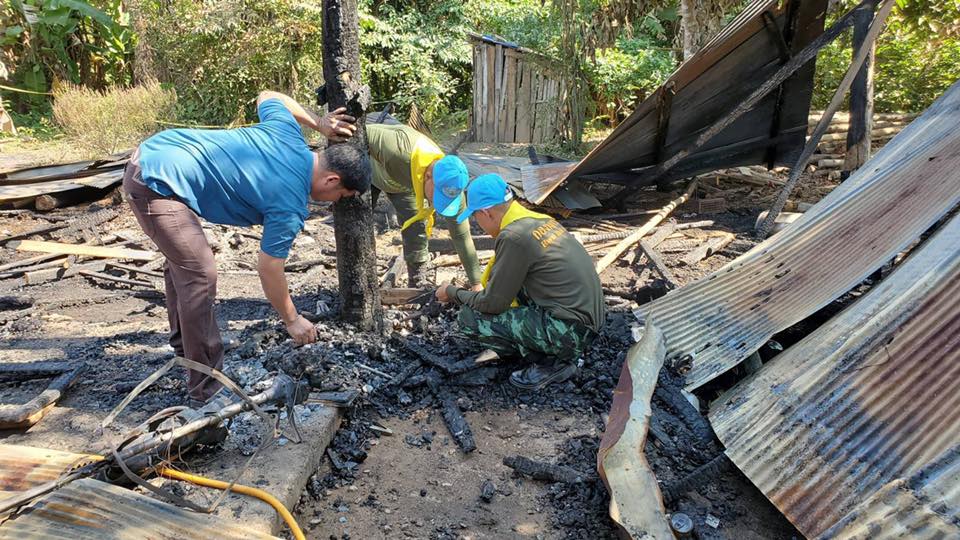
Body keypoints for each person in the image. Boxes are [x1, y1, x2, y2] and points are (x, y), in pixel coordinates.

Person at [123, 90, 371, 404]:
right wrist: (292, 319)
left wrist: (318, 123)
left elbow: (269, 96)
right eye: (342, 197)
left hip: (158, 151)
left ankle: (185, 351)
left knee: (186, 263)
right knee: (199, 273)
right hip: (155, 182)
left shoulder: (287, 132)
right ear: (332, 180)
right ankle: (206, 392)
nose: (337, 204)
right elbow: (269, 267)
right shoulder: (290, 203)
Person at [435, 174, 605, 390]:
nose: (477, 223)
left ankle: (551, 363)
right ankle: (544, 347)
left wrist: (452, 293)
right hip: (588, 323)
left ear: (486, 213)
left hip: (570, 333)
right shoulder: (539, 221)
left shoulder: (514, 237)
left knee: (469, 318)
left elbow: (492, 304)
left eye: (475, 216)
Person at [366, 123, 482, 288]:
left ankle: (416, 280)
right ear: (428, 176)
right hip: (370, 169)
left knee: (415, 224)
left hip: (401, 182)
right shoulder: (396, 149)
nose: (437, 203)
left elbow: (461, 236)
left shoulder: (453, 183)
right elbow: (355, 131)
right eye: (437, 196)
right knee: (358, 223)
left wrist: (476, 282)